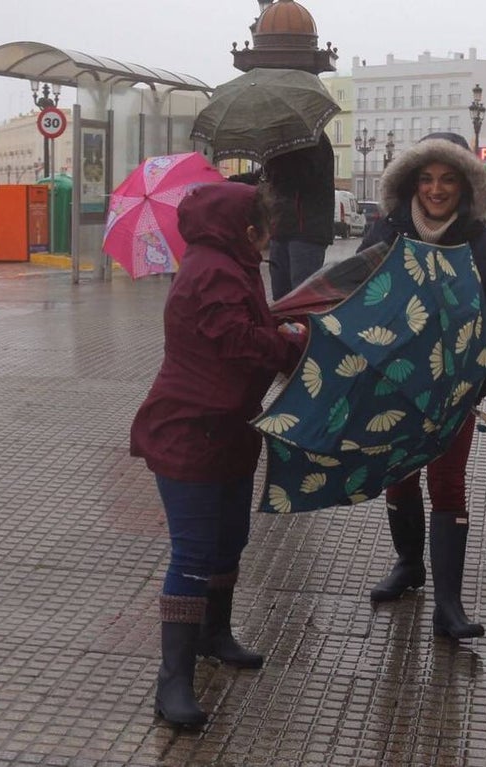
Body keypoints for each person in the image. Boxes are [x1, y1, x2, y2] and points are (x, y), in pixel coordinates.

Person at [130, 182, 306, 728]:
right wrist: (294, 342)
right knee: (193, 553)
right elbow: (238, 339)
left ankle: (213, 634)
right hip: (189, 430)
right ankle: (173, 681)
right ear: (247, 229)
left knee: (231, 539)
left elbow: (252, 326)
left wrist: (285, 329)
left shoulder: (232, 262)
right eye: (266, 230)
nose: (269, 240)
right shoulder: (212, 270)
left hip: (228, 428)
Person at [358, 132, 486, 640]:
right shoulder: (385, 232)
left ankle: (448, 602)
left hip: (456, 380)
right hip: (396, 377)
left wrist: (460, 346)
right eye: (426, 178)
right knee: (399, 475)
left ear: (466, 184)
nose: (436, 189)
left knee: (447, 481)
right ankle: (409, 567)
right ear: (410, 183)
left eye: (448, 179)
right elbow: (358, 291)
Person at [263, 132, 335, 300]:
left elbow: (303, 177)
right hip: (281, 228)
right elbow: (267, 177)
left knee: (301, 297)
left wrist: (277, 161)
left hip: (307, 231)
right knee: (280, 296)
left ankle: (305, 326)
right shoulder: (281, 142)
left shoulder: (314, 140)